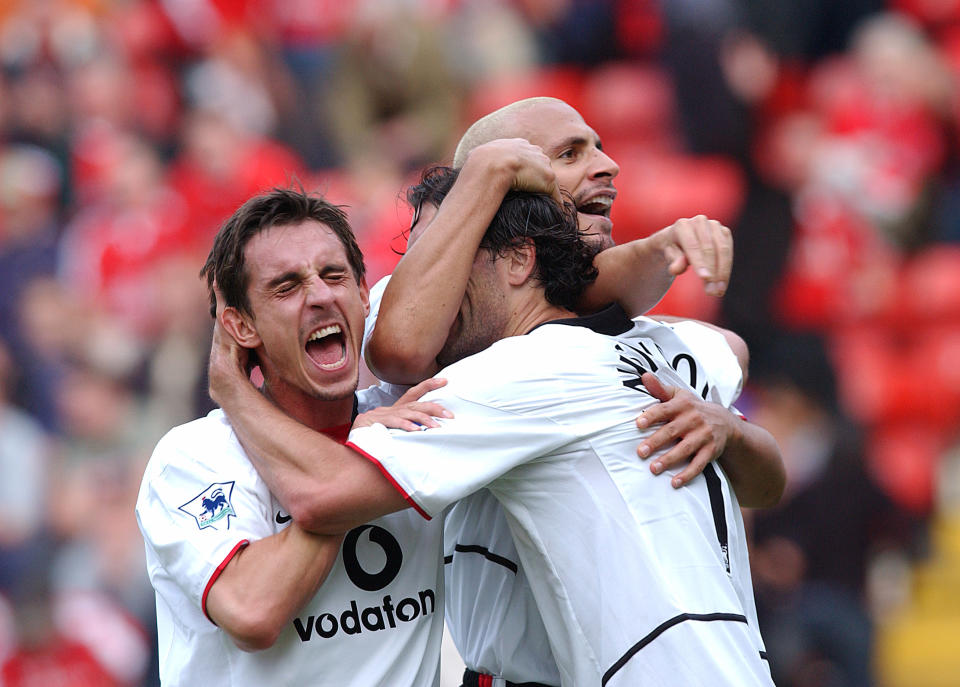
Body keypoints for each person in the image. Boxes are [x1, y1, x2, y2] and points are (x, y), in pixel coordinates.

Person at [209, 188, 777, 685]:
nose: (431, 281)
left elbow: (319, 495)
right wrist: (730, 428)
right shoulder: (657, 344)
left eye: (450, 257)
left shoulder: (506, 375)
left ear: (516, 259)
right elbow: (734, 359)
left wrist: (231, 389)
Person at [134, 188, 451, 686]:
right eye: (286, 287)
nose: (321, 295)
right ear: (240, 325)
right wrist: (353, 454)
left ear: (364, 293)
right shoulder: (192, 457)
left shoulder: (411, 420)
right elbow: (252, 610)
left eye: (334, 276)